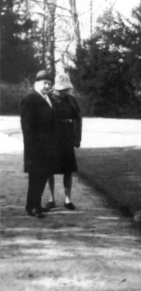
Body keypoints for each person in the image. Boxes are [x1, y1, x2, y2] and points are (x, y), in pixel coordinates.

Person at [20, 70, 57, 218]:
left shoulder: (49, 99)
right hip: (35, 147)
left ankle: (36, 205)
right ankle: (32, 207)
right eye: (44, 83)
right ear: (36, 84)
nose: (47, 86)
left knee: (43, 176)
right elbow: (27, 126)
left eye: (49, 83)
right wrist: (34, 147)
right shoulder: (30, 99)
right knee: (35, 178)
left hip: (48, 147)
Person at [45, 73, 82, 211]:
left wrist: (77, 137)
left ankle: (68, 199)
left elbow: (77, 119)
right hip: (51, 139)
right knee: (50, 169)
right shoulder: (46, 99)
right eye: (62, 90)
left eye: (66, 89)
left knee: (68, 170)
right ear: (55, 88)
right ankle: (51, 198)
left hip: (66, 138)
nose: (64, 92)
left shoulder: (71, 100)